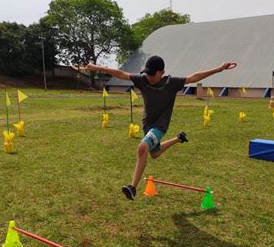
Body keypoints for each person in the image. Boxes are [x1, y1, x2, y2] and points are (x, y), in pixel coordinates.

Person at [86, 56, 236, 200]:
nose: (149, 77)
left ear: (162, 72)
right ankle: (179, 138)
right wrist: (97, 67)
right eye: (147, 73)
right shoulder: (143, 80)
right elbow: (121, 74)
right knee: (155, 153)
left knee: (142, 148)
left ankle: (132, 187)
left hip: (160, 126)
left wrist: (219, 69)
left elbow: (194, 77)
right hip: (147, 125)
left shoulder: (172, 83)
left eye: (152, 74)